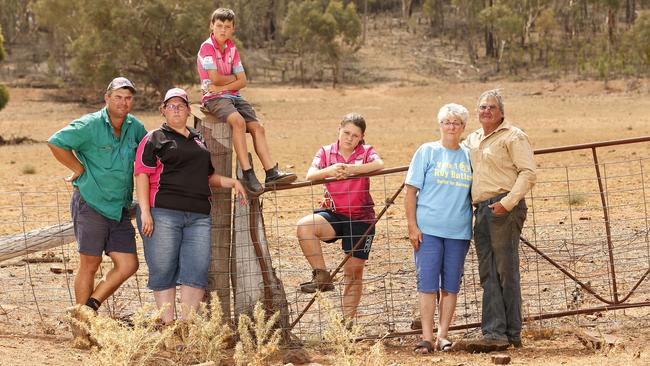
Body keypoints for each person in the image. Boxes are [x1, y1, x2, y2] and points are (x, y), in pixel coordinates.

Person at [134, 88, 247, 325]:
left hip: (198, 216)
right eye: (171, 106)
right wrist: (145, 211)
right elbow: (142, 174)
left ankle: (187, 328)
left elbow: (208, 177)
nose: (176, 110)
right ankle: (167, 325)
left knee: (196, 270)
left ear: (188, 110)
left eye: (181, 105)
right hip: (163, 212)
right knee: (163, 268)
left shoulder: (198, 139)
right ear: (163, 110)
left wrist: (232, 182)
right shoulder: (154, 138)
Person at [47, 77, 147, 344]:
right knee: (89, 264)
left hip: (119, 207)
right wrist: (78, 169)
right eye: (118, 97)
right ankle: (82, 330)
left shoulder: (135, 127)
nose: (124, 103)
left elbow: (148, 156)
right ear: (107, 98)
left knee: (128, 264)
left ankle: (88, 308)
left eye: (128, 98)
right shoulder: (90, 124)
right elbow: (56, 142)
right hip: (91, 203)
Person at [463, 89, 536, 351]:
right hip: (481, 209)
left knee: (506, 270)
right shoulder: (472, 139)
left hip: (504, 206)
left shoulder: (513, 136)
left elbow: (528, 172)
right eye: (482, 107)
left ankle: (511, 332)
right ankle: (495, 333)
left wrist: (507, 203)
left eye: (491, 107)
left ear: (501, 112)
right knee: (488, 272)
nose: (486, 111)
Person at [197, 7, 295, 195]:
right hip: (214, 98)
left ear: (233, 28)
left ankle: (271, 172)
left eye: (227, 26)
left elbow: (243, 81)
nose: (223, 30)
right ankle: (247, 173)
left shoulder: (232, 48)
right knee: (238, 122)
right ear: (212, 25)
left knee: (258, 128)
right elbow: (215, 78)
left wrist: (227, 84)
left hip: (234, 96)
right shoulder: (207, 47)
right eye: (219, 26)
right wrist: (231, 80)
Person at [296, 113, 384, 320]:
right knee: (305, 226)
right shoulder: (326, 152)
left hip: (362, 218)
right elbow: (310, 174)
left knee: (353, 273)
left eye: (355, 135)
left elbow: (378, 164)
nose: (349, 138)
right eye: (346, 133)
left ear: (361, 137)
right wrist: (332, 170)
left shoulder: (366, 152)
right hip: (334, 213)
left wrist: (352, 170)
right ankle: (322, 275)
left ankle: (348, 322)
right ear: (339, 130)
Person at [405, 104, 473, 354]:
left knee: (451, 285)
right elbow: (410, 191)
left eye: (456, 122)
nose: (451, 126)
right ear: (440, 124)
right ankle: (426, 336)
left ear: (464, 127)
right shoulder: (427, 151)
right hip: (428, 230)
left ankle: (443, 335)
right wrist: (412, 226)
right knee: (427, 284)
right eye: (447, 121)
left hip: (459, 231)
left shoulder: (469, 155)